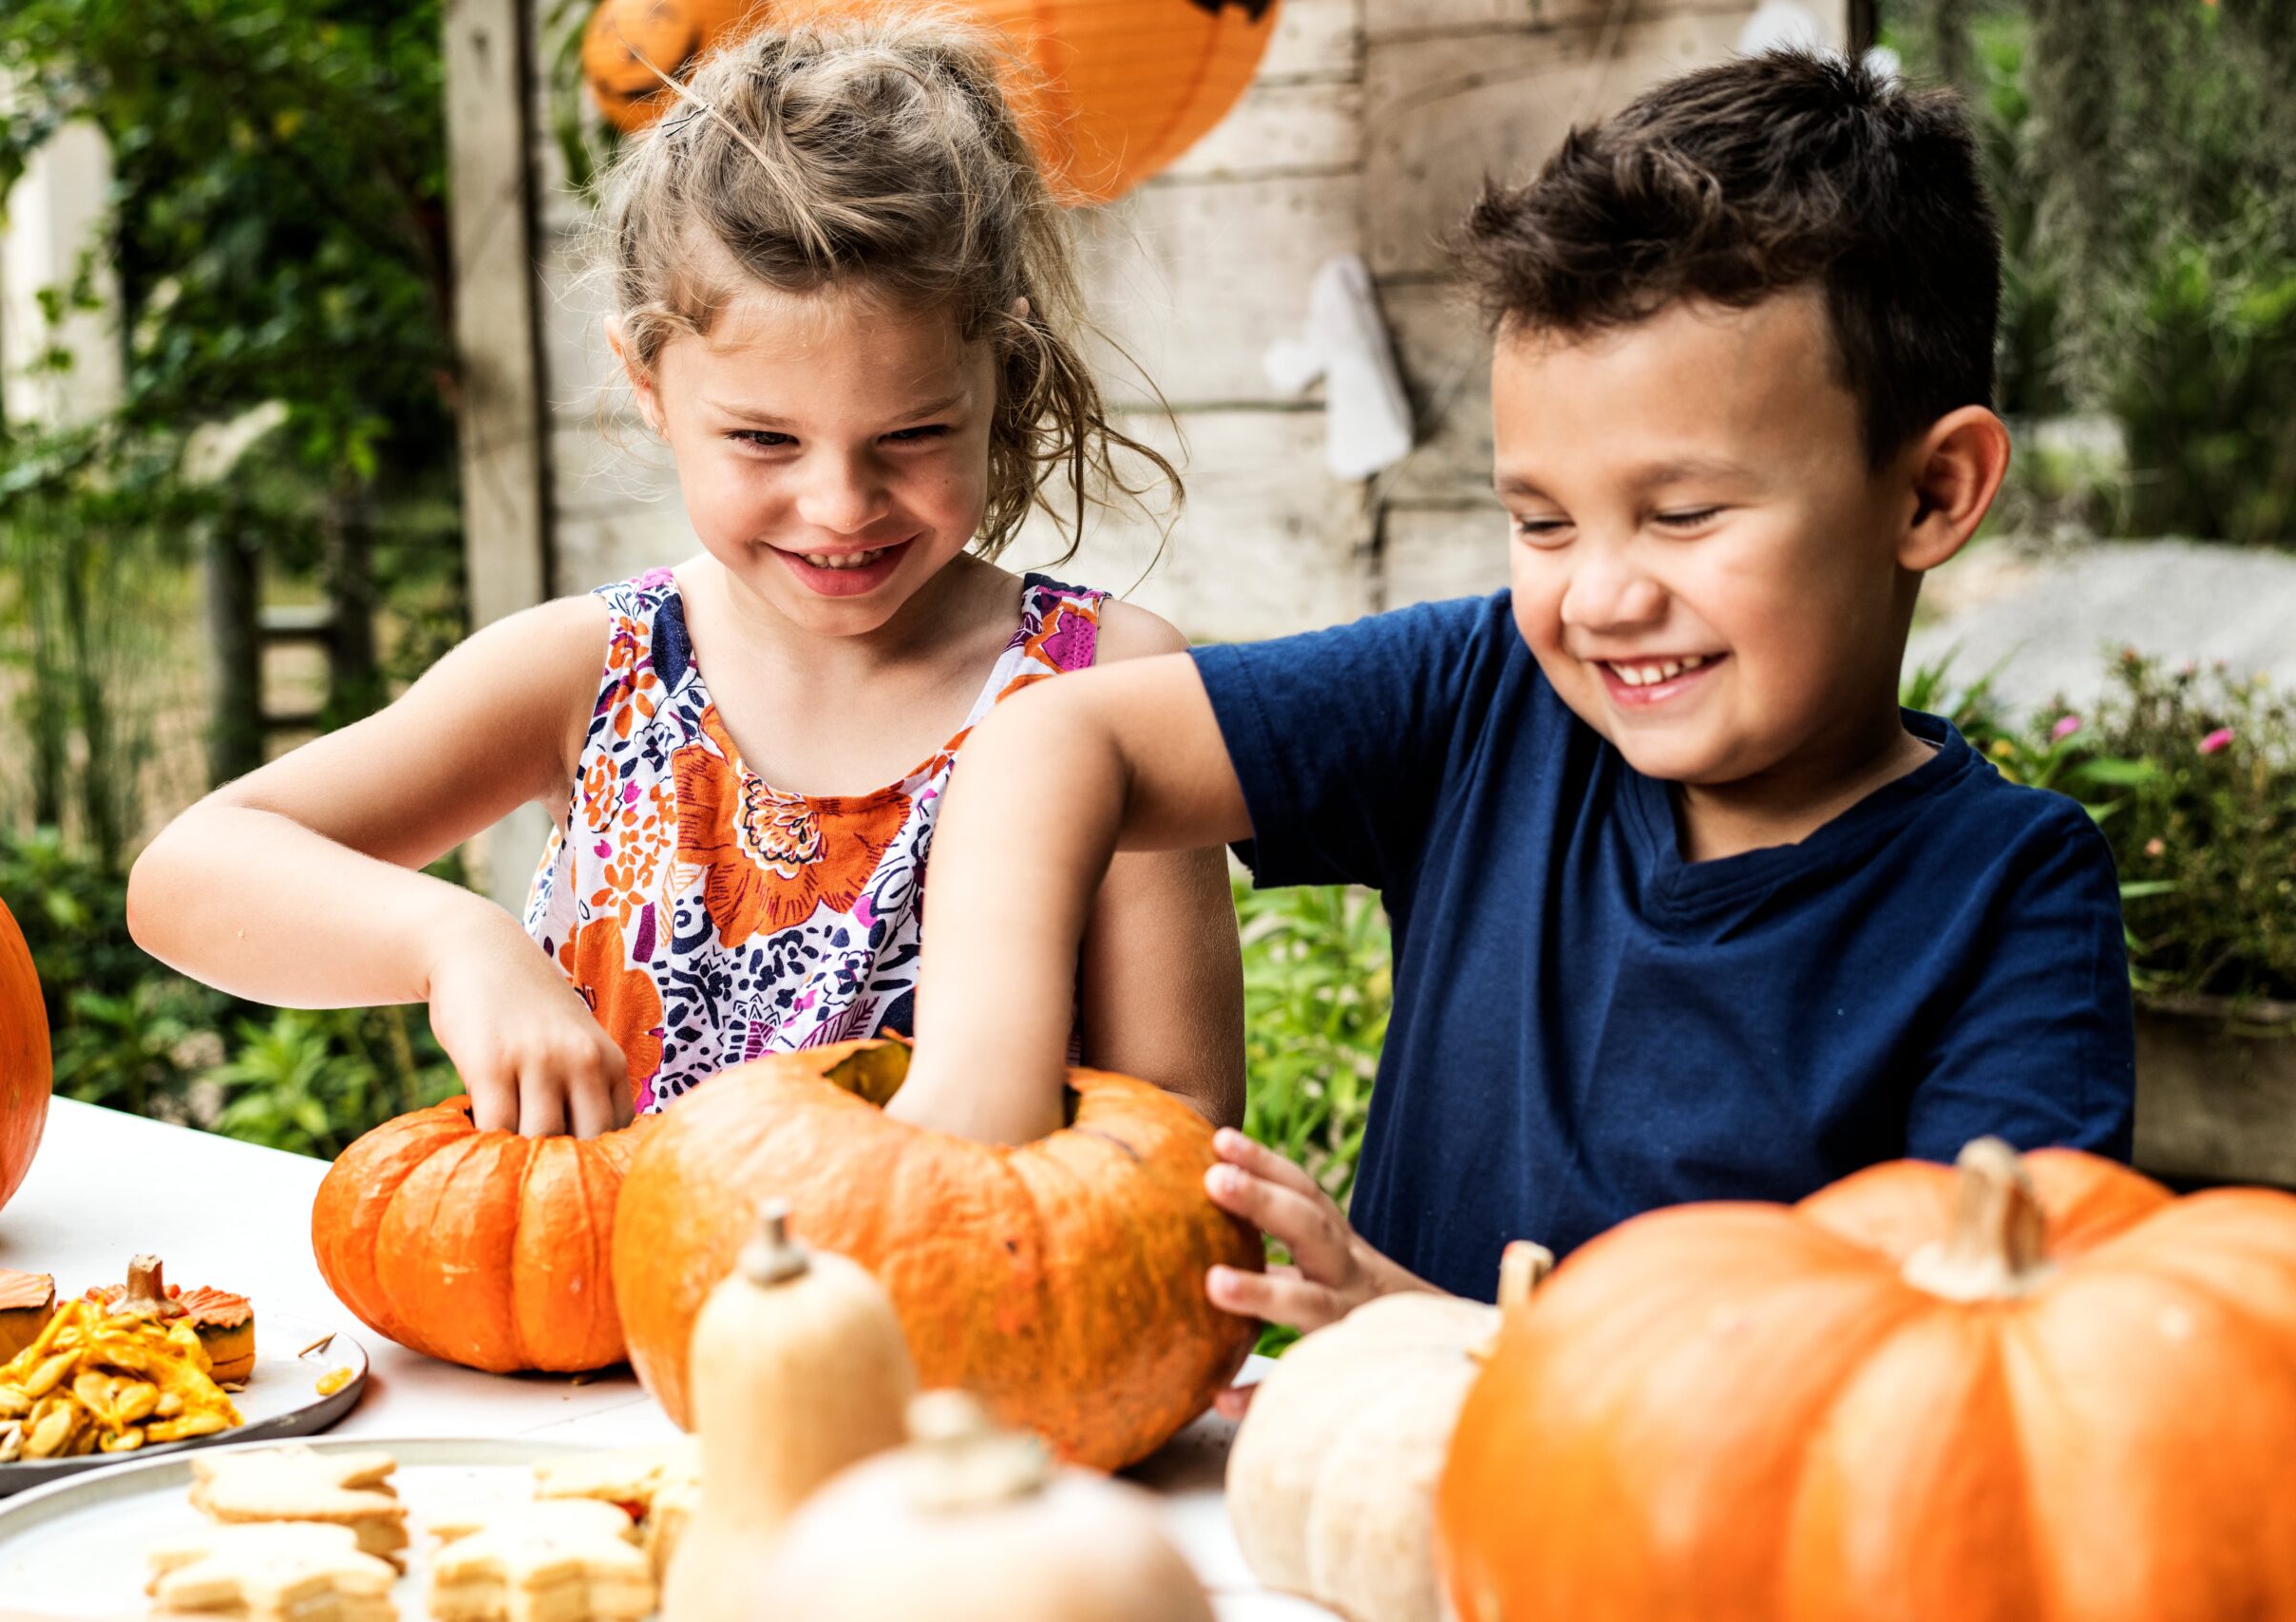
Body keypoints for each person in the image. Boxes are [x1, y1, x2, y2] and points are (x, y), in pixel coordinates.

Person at [891, 49, 2135, 1331]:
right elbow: (1054, 741)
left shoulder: (2013, 898)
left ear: (1931, 493)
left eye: (1684, 513)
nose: (1598, 596)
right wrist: (980, 1082)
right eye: (1542, 523)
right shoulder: (1482, 696)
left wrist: (1431, 1329)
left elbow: (1959, 1378)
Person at [129, 15, 1243, 1141]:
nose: (840, 506)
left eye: (911, 435)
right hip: (594, 1311)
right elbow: (189, 873)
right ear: (648, 381)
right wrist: (453, 943)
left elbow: (1180, 1125)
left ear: (1001, 372)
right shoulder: (592, 671)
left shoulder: (1107, 687)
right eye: (764, 441)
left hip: (962, 1306)